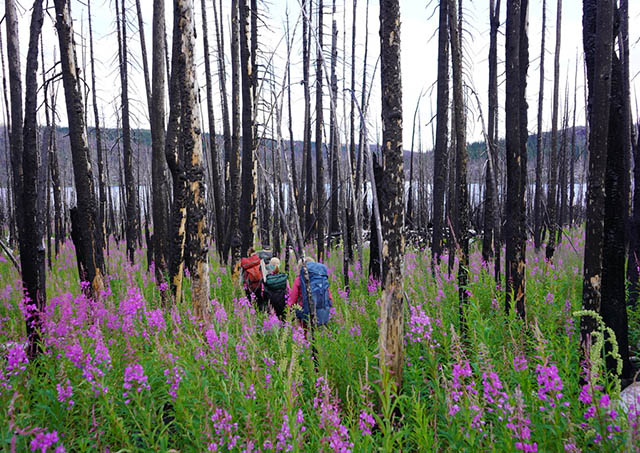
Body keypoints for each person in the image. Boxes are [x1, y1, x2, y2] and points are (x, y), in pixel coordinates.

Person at [288, 257, 333, 327]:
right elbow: (329, 297)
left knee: (303, 333)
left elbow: (293, 299)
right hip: (320, 312)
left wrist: (289, 312)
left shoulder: (299, 279)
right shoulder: (321, 278)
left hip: (304, 313)